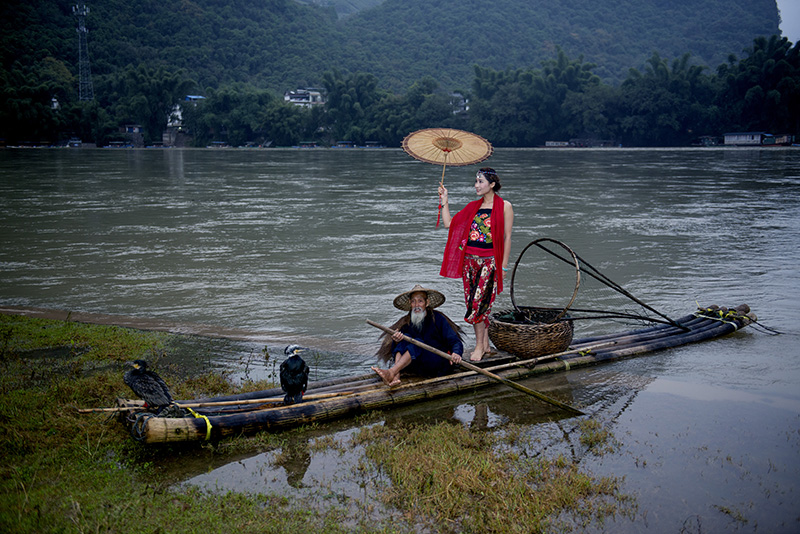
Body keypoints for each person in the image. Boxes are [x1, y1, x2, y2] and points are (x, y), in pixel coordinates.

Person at [438, 167, 514, 362]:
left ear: (492, 184)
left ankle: (479, 346)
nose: (476, 185)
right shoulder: (473, 207)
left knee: (477, 305)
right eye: (476, 181)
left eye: (480, 181)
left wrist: (503, 267)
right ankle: (486, 343)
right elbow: (449, 224)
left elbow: (507, 238)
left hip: (490, 262)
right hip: (469, 263)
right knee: (478, 304)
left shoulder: (504, 206)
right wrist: (444, 200)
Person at [372, 284, 464, 386]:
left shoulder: (438, 318)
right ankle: (395, 376)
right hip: (417, 365)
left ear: (427, 303)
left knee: (416, 342)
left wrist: (456, 353)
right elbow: (397, 348)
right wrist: (396, 340)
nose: (416, 305)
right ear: (410, 304)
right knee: (404, 338)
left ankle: (391, 372)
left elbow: (455, 341)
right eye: (413, 301)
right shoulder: (406, 321)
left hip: (437, 363)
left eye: (420, 301)